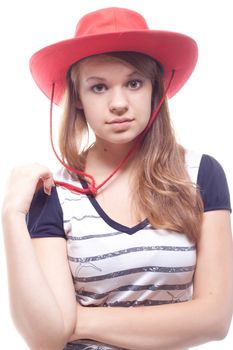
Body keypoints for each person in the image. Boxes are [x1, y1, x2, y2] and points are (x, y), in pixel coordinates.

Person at [2, 6, 233, 350]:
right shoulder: (56, 193)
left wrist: (78, 319)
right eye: (98, 87)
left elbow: (215, 319)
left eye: (134, 82)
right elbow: (46, 337)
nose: (119, 103)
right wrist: (11, 217)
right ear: (77, 97)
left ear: (155, 89)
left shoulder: (200, 175)